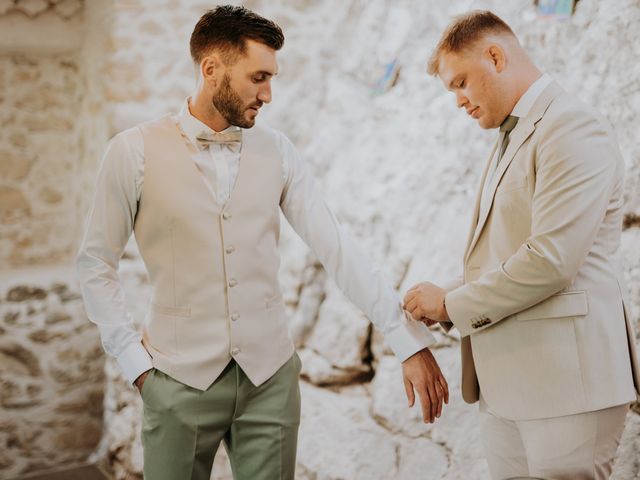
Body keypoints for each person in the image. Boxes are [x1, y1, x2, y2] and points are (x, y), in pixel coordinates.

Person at [76, 5, 448, 480]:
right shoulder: (131, 151)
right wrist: (136, 365)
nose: (269, 94)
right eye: (258, 77)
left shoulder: (278, 151)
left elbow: (335, 246)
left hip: (269, 379)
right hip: (176, 381)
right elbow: (95, 264)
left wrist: (405, 339)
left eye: (271, 78)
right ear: (212, 70)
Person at [403, 9, 640, 480]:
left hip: (569, 386)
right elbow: (511, 256)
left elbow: (551, 262)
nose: (459, 101)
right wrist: (445, 298)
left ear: (495, 56)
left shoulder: (571, 127)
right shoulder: (510, 138)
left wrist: (451, 303)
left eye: (461, 83)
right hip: (509, 386)